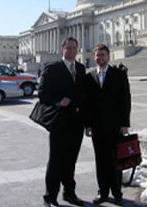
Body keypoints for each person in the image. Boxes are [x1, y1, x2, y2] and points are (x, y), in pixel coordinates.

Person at [38, 37, 86, 207]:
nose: (71, 50)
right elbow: (42, 94)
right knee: (56, 160)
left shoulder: (81, 68)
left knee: (71, 160)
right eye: (68, 48)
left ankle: (69, 193)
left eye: (74, 47)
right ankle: (49, 197)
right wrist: (58, 101)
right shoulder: (53, 68)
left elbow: (83, 97)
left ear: (77, 49)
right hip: (59, 122)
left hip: (77, 123)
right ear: (62, 49)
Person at [84, 44, 131, 205]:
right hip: (97, 127)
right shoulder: (90, 76)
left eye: (103, 55)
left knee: (115, 160)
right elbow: (87, 103)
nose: (100, 58)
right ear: (95, 57)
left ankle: (117, 193)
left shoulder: (119, 74)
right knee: (101, 160)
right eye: (97, 55)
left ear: (108, 57)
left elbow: (125, 100)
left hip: (115, 126)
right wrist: (88, 125)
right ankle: (103, 192)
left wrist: (125, 124)